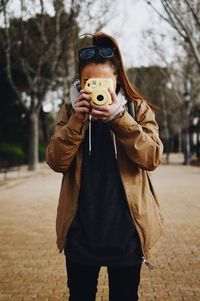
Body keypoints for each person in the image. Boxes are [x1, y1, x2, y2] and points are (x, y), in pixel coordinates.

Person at [46, 32, 164, 301]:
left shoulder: (136, 109)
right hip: (80, 233)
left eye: (103, 82)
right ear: (80, 82)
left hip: (126, 233)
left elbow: (152, 157)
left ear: (118, 80)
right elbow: (56, 160)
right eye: (88, 83)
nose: (95, 89)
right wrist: (78, 120)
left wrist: (118, 118)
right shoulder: (70, 111)